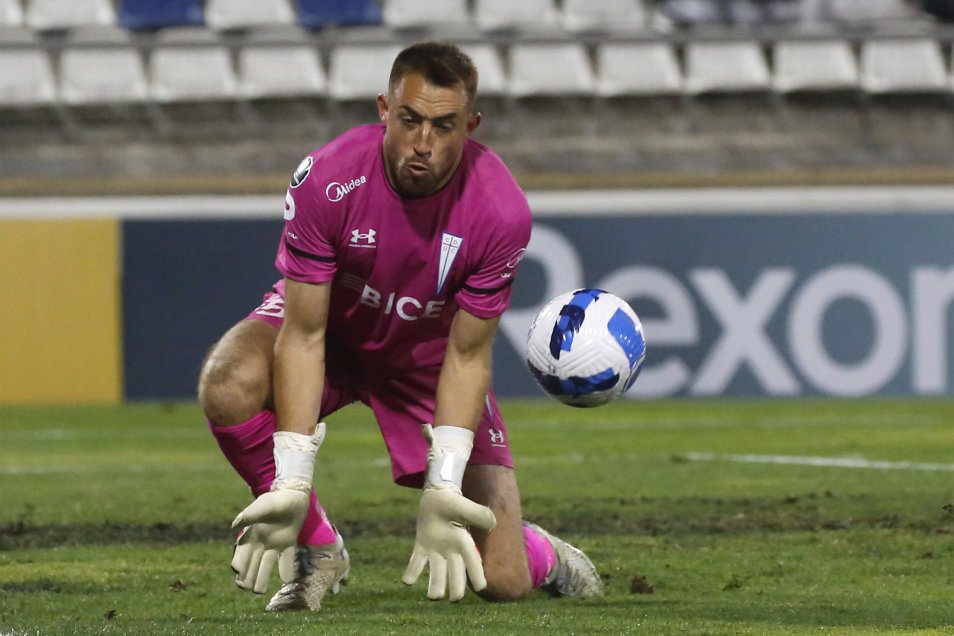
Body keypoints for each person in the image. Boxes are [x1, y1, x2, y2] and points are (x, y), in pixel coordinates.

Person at [197, 40, 602, 613]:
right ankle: (317, 546)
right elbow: (304, 335)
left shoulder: (499, 210)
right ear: (385, 109)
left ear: (472, 124)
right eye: (410, 120)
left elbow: (467, 357)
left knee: (501, 580)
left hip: (427, 361)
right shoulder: (327, 179)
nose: (423, 143)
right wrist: (290, 479)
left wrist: (444, 483)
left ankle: (543, 553)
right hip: (334, 339)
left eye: (444, 126)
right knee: (228, 381)